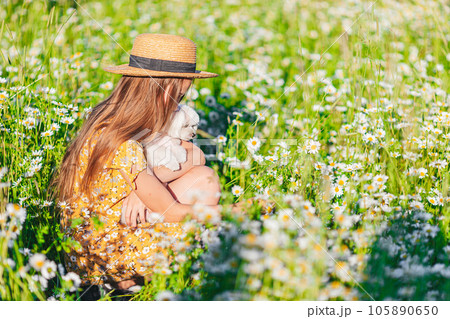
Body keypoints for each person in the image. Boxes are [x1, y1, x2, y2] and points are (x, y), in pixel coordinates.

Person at [54, 34, 248, 292]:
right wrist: (235, 211)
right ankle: (125, 280)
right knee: (205, 233)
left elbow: (196, 154)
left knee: (204, 177)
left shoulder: (111, 119)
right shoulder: (124, 143)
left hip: (91, 244)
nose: (181, 103)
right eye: (182, 93)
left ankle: (129, 281)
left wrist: (149, 181)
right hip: (102, 256)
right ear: (170, 87)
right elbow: (171, 211)